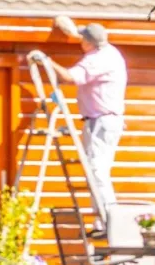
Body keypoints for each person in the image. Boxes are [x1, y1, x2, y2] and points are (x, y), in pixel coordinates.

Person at [36, 22, 127, 211]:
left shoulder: (98, 59)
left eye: (83, 38)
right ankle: (102, 221)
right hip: (102, 120)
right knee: (96, 171)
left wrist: (46, 61)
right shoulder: (110, 53)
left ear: (89, 42)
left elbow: (69, 77)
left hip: (101, 121)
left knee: (97, 170)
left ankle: (109, 218)